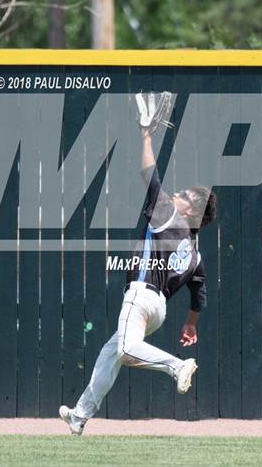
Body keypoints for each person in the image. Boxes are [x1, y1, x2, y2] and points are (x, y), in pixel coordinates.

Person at [59, 126, 217, 435]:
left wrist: (145, 135)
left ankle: (177, 366)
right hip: (157, 310)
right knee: (111, 353)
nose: (178, 194)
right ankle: (79, 416)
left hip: (141, 296)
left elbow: (149, 173)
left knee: (126, 351)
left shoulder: (170, 217)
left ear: (192, 212)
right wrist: (191, 324)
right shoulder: (195, 253)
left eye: (185, 196)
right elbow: (200, 294)